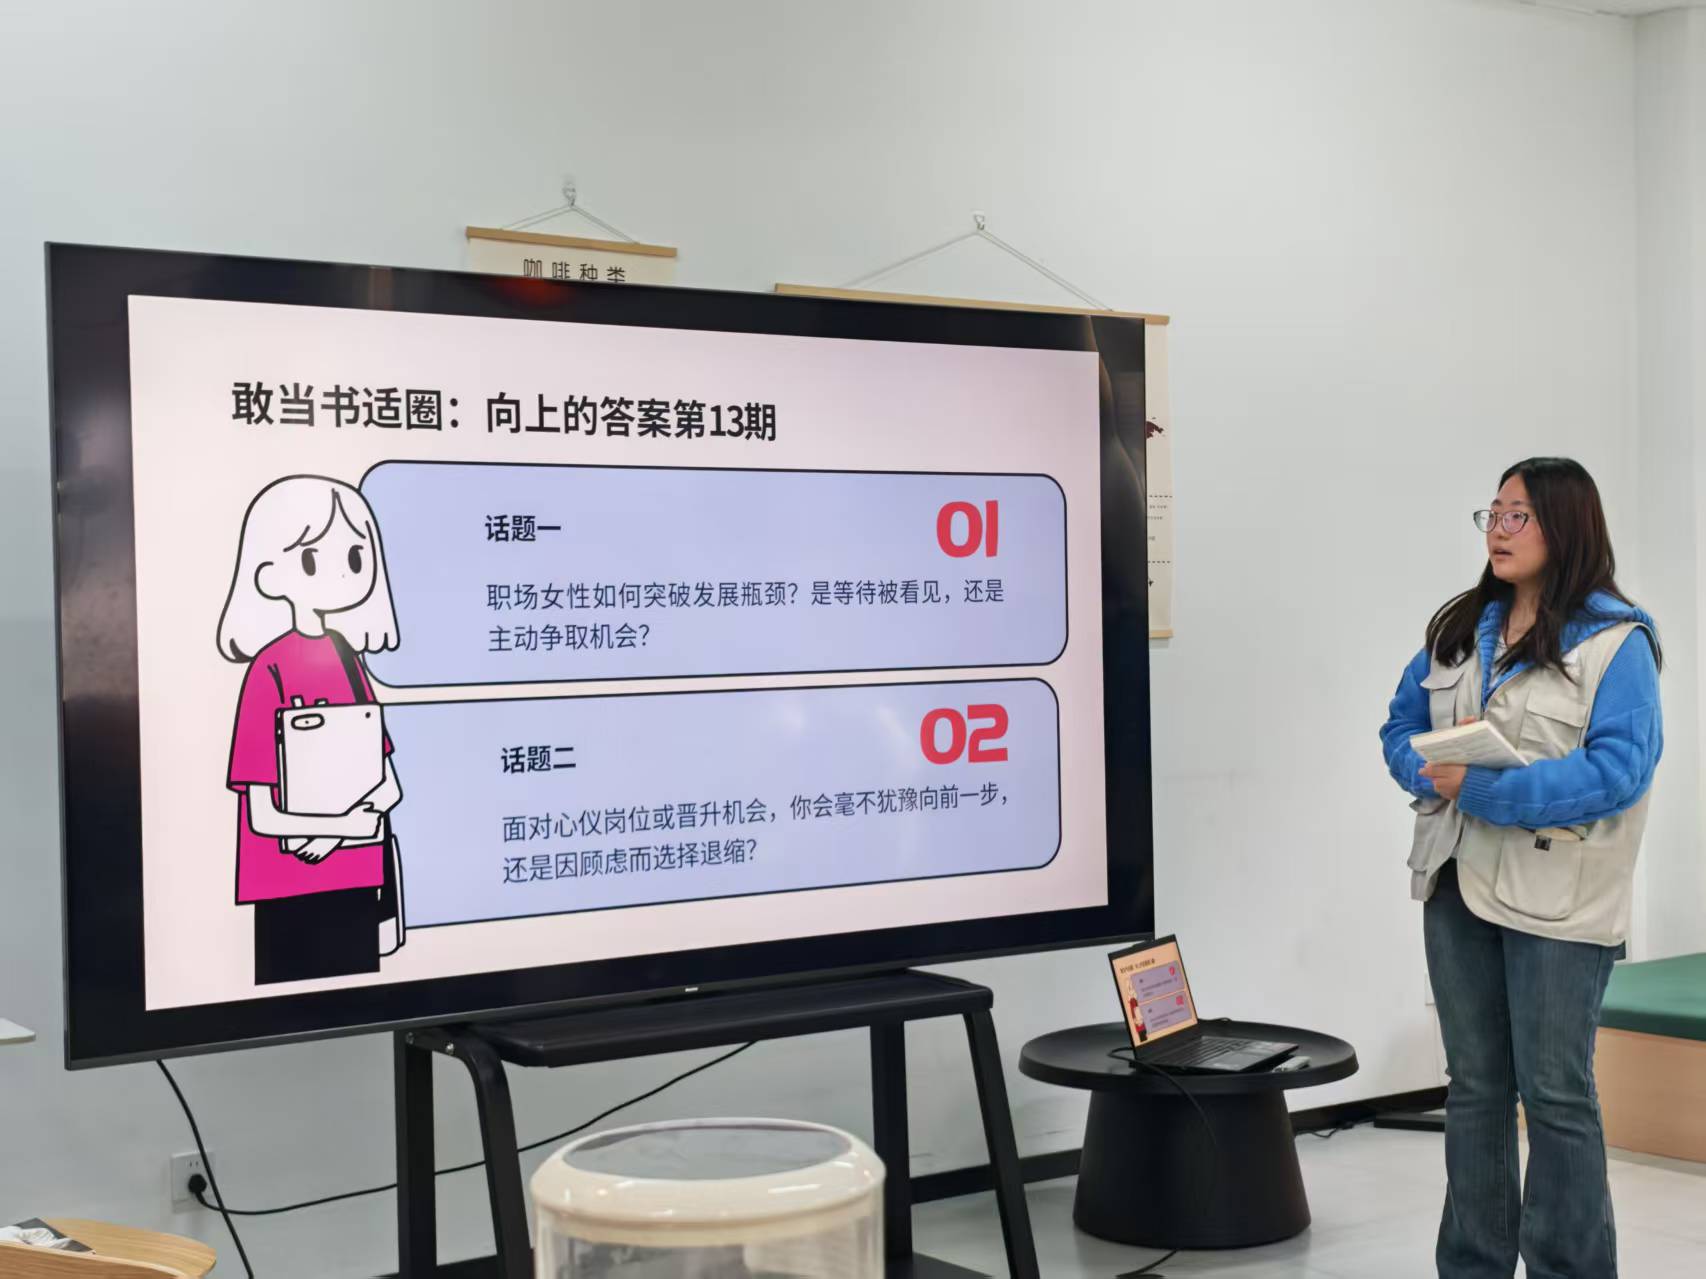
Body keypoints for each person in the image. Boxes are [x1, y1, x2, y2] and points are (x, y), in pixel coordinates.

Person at [1380, 458, 1662, 1279]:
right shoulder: (1462, 626)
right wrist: (1421, 767)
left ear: (1564, 527)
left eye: (1518, 516)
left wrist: (1485, 790)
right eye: (1493, 514)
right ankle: (1472, 1265)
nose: (1498, 531)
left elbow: (1618, 771)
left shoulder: (1617, 643)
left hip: (1559, 903)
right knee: (1474, 1086)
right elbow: (1400, 724)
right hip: (1455, 880)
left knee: (1555, 1092)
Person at [218, 476, 406, 984]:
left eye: (355, 557)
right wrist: (338, 831)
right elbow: (261, 813)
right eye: (311, 558)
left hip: (355, 877)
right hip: (286, 885)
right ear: (268, 575)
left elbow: (388, 784)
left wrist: (338, 833)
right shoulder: (267, 669)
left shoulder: (347, 657)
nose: (341, 573)